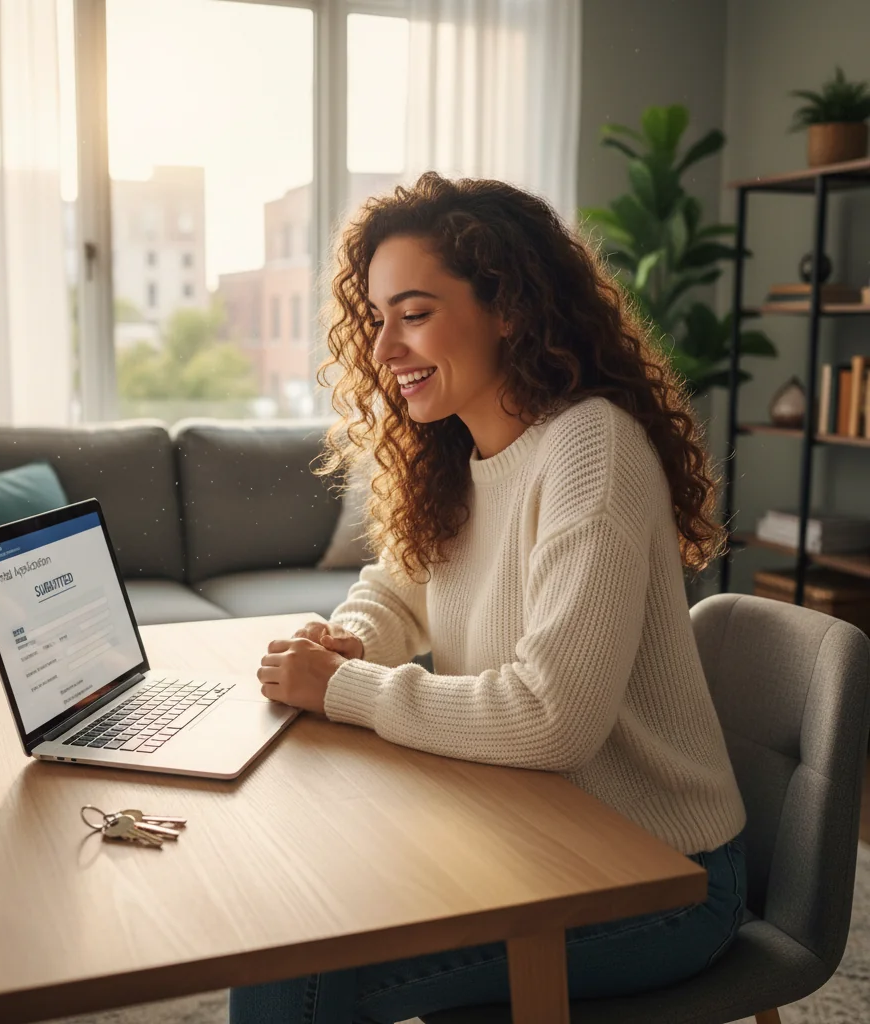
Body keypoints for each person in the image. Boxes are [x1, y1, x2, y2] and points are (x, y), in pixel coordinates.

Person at [230, 172, 747, 1024]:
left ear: (508, 306)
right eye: (379, 318)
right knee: (295, 914)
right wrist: (350, 641)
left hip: (662, 874)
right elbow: (396, 588)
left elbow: (551, 716)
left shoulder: (591, 450)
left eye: (416, 312)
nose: (384, 347)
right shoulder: (456, 454)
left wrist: (343, 690)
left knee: (303, 968)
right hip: (528, 829)